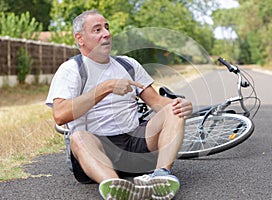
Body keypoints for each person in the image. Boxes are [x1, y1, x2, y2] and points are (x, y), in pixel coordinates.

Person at [46, 9, 193, 200]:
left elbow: (157, 102)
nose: (106, 33)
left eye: (106, 28)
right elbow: (60, 114)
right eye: (97, 30)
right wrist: (105, 88)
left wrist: (180, 106)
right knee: (78, 137)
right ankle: (115, 186)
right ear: (80, 39)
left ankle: (161, 176)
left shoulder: (128, 65)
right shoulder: (71, 69)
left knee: (173, 112)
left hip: (134, 143)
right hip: (96, 150)